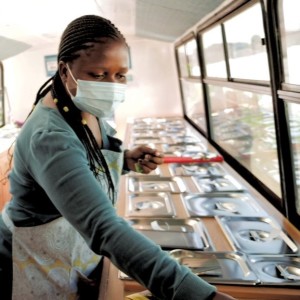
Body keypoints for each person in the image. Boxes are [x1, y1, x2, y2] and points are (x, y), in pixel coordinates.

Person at [0, 15, 236, 300]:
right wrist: (200, 296)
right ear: (64, 70)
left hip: (66, 247)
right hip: (27, 261)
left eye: (120, 75)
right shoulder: (50, 137)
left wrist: (124, 160)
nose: (111, 84)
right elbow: (104, 227)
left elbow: (85, 158)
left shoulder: (79, 105)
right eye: (98, 75)